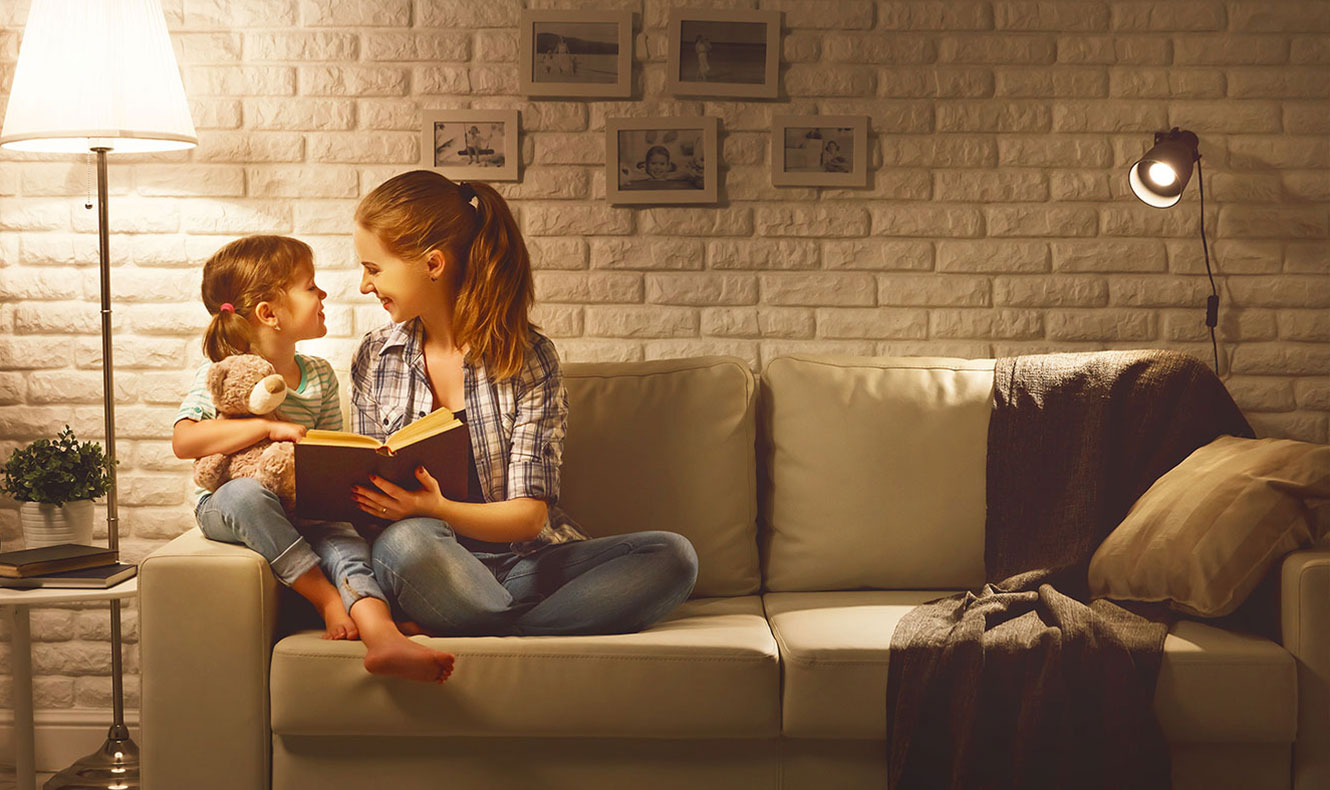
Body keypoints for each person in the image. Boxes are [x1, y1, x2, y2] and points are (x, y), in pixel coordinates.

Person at [348, 170, 699, 682]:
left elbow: (529, 517)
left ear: (433, 264)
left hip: (523, 563)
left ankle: (492, 627)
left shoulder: (528, 359)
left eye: (373, 268)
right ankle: (503, 621)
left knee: (672, 556)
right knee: (408, 542)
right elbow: (364, 499)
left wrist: (438, 506)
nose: (364, 285)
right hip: (430, 563)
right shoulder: (376, 358)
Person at [174, 235, 457, 684]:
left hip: (304, 505)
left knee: (344, 542)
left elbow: (329, 447)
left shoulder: (319, 376)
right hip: (232, 506)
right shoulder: (221, 371)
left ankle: (382, 635)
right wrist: (265, 428)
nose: (323, 294)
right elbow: (186, 442)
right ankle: (324, 597)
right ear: (269, 313)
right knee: (245, 493)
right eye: (310, 286)